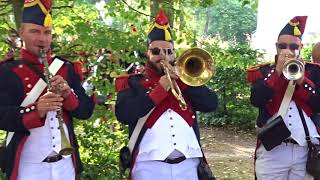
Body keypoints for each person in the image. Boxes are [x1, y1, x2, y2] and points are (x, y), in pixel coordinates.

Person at [115, 10, 218, 180]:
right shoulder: (133, 81)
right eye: (156, 51)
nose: (163, 56)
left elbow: (211, 104)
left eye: (169, 51)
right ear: (147, 53)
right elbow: (124, 114)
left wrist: (184, 81)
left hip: (188, 164)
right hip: (148, 167)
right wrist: (160, 89)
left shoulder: (186, 80)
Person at [0, 0, 95, 179]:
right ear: (22, 33)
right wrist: (36, 110)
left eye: (47, 32)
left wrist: (69, 95)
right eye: (34, 31)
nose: (42, 38)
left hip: (65, 165)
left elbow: (85, 111)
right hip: (28, 165)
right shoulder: (6, 71)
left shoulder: (66, 68)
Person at [247, 16, 320, 180]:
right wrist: (277, 72)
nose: (288, 50)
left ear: (301, 47)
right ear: (276, 47)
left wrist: (302, 81)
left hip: (306, 150)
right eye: (283, 46)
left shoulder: (315, 72)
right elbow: (256, 99)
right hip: (272, 150)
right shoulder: (264, 72)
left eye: (294, 46)